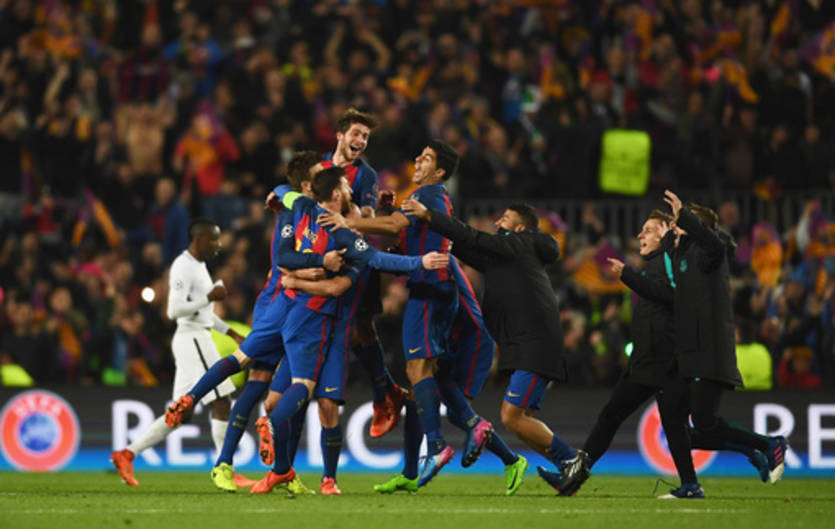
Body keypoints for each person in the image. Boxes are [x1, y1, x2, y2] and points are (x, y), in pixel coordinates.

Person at [318, 140, 497, 487]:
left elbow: (394, 225)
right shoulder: (431, 196)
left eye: (426, 158)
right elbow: (407, 234)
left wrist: (349, 222)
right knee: (424, 380)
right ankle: (454, 448)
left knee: (417, 370)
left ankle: (440, 445)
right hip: (434, 287)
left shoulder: (428, 194)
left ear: (439, 171)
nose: (417, 159)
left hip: (429, 288)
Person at [401, 199, 580, 495]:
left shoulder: (520, 244)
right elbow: (468, 248)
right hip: (529, 343)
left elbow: (473, 237)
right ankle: (567, 466)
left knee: (512, 416)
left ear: (520, 228)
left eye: (505, 219)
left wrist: (430, 215)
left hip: (535, 344)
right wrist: (438, 236)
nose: (497, 222)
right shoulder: (510, 257)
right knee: (519, 418)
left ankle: (571, 461)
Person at [207, 150, 328, 493]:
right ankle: (224, 464)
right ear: (306, 183)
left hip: (297, 306)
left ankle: (283, 470)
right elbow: (285, 260)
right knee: (258, 383)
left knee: (289, 390)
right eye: (318, 173)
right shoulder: (293, 209)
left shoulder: (309, 209)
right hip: (280, 302)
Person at [110, 218, 247, 487]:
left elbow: (202, 313)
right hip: (193, 338)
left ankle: (127, 454)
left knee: (181, 413)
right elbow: (174, 310)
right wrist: (209, 297)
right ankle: (225, 468)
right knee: (222, 401)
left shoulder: (199, 266)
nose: (218, 245)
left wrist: (230, 332)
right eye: (214, 239)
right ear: (199, 239)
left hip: (196, 336)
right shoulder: (183, 266)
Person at [320, 107, 408, 440]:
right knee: (356, 332)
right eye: (356, 133)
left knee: (360, 330)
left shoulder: (366, 175)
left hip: (355, 260)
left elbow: (367, 218)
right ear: (340, 135)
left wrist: (360, 215)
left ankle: (382, 395)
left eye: (366, 136)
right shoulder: (319, 167)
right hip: (323, 259)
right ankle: (387, 391)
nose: (361, 140)